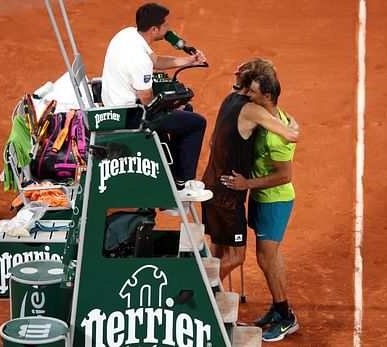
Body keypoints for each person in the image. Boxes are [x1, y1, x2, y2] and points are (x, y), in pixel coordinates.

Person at [202, 58, 299, 284]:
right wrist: (293, 124)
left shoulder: (230, 98)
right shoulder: (253, 109)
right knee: (235, 257)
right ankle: (200, 297)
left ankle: (210, 301)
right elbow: (291, 135)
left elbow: (212, 142)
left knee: (216, 253)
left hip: (212, 184)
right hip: (228, 194)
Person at [101, 3, 210, 200]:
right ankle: (180, 185)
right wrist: (173, 102)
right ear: (154, 29)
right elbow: (147, 102)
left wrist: (190, 60)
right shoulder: (139, 60)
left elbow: (157, 61)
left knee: (184, 113)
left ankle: (174, 174)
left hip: (115, 106)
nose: (169, 29)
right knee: (196, 123)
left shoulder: (127, 34)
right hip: (131, 116)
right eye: (166, 26)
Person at [223, 73, 299, 342]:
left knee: (268, 258)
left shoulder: (277, 136)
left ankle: (286, 317)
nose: (249, 96)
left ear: (267, 96)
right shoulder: (267, 116)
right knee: (267, 257)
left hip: (274, 200)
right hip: (261, 198)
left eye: (254, 92)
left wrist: (247, 184)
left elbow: (284, 176)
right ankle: (279, 310)